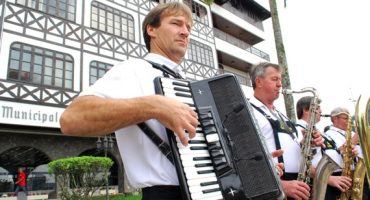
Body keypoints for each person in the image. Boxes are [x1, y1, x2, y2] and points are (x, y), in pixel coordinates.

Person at [60, 2, 198, 199]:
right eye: (176, 23)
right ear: (151, 29)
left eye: (188, 27)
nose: (185, 32)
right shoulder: (133, 69)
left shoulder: (188, 82)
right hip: (164, 193)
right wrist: (154, 106)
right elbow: (71, 119)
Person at [249, 62, 324, 200]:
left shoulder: (280, 114)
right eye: (274, 79)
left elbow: (290, 147)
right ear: (258, 81)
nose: (280, 84)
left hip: (298, 183)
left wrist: (307, 143)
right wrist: (280, 185)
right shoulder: (248, 110)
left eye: (280, 80)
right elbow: (244, 159)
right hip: (275, 188)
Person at [295, 97, 352, 199]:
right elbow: (300, 162)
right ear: (306, 110)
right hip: (318, 182)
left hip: (328, 180)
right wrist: (328, 178)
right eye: (317, 108)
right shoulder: (298, 129)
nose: (321, 111)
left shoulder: (317, 131)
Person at [324, 107, 364, 200]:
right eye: (346, 118)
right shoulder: (328, 134)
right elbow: (338, 151)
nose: (349, 121)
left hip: (357, 176)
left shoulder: (351, 132)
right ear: (335, 119)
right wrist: (357, 136)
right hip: (340, 176)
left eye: (349, 118)